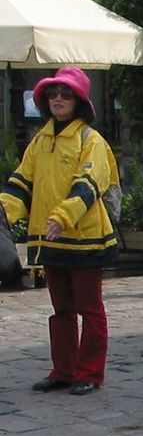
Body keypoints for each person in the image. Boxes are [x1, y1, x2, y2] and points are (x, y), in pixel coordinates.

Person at [1, 67, 120, 396]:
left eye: (66, 93)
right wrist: (3, 211)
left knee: (90, 309)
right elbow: (21, 183)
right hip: (49, 238)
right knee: (61, 310)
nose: (58, 98)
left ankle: (90, 372)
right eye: (53, 93)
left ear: (79, 101)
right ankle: (63, 371)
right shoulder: (40, 141)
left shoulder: (91, 141)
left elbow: (89, 184)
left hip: (84, 238)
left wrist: (62, 216)